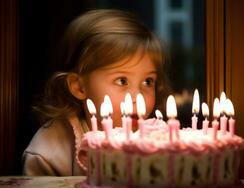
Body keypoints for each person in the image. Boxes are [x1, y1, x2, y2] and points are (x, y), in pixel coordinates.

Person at [22, 9, 171, 176]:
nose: (138, 97)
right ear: (79, 87)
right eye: (122, 80)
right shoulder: (49, 150)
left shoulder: (156, 140)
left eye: (147, 81)